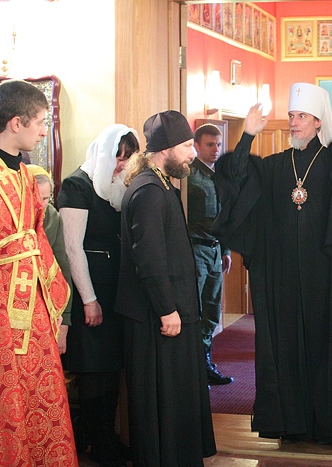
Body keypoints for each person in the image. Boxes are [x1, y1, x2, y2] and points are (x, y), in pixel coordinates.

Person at [212, 83, 332, 444]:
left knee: (322, 345)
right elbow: (233, 180)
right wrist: (247, 136)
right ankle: (288, 422)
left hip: (320, 272)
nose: (294, 122)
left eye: (301, 116)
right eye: (291, 115)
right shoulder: (274, 165)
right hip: (280, 274)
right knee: (283, 347)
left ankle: (327, 424)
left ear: (318, 122)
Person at [0, 79, 77, 466]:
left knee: (41, 396)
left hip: (35, 309)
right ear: (16, 123)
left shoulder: (27, 175)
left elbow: (38, 238)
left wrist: (57, 306)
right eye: (40, 122)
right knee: (6, 400)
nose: (44, 131)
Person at [115, 110, 216, 465]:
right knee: (160, 401)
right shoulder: (149, 191)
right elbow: (150, 259)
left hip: (170, 312)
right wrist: (167, 309)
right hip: (157, 318)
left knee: (175, 398)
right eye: (187, 146)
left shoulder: (161, 185)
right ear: (165, 149)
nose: (192, 153)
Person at [58, 124, 139, 466]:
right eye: (117, 157)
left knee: (111, 368)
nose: (121, 165)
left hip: (114, 290)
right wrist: (89, 300)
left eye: (127, 158)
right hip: (89, 292)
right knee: (93, 369)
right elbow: (72, 249)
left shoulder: (116, 187)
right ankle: (98, 442)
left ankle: (109, 437)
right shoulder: (77, 185)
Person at [187, 123, 233, 385]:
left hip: (215, 251)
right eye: (209, 144)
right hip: (196, 250)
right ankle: (193, 368)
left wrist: (226, 249)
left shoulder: (219, 176)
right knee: (196, 308)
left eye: (218, 144)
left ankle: (205, 363)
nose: (216, 149)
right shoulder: (188, 177)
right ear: (196, 146)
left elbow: (224, 216)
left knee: (212, 311)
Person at [27, 164, 73, 355]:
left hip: (46, 305)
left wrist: (65, 318)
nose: (41, 204)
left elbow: (62, 267)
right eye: (36, 198)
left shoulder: (53, 217)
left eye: (46, 198)